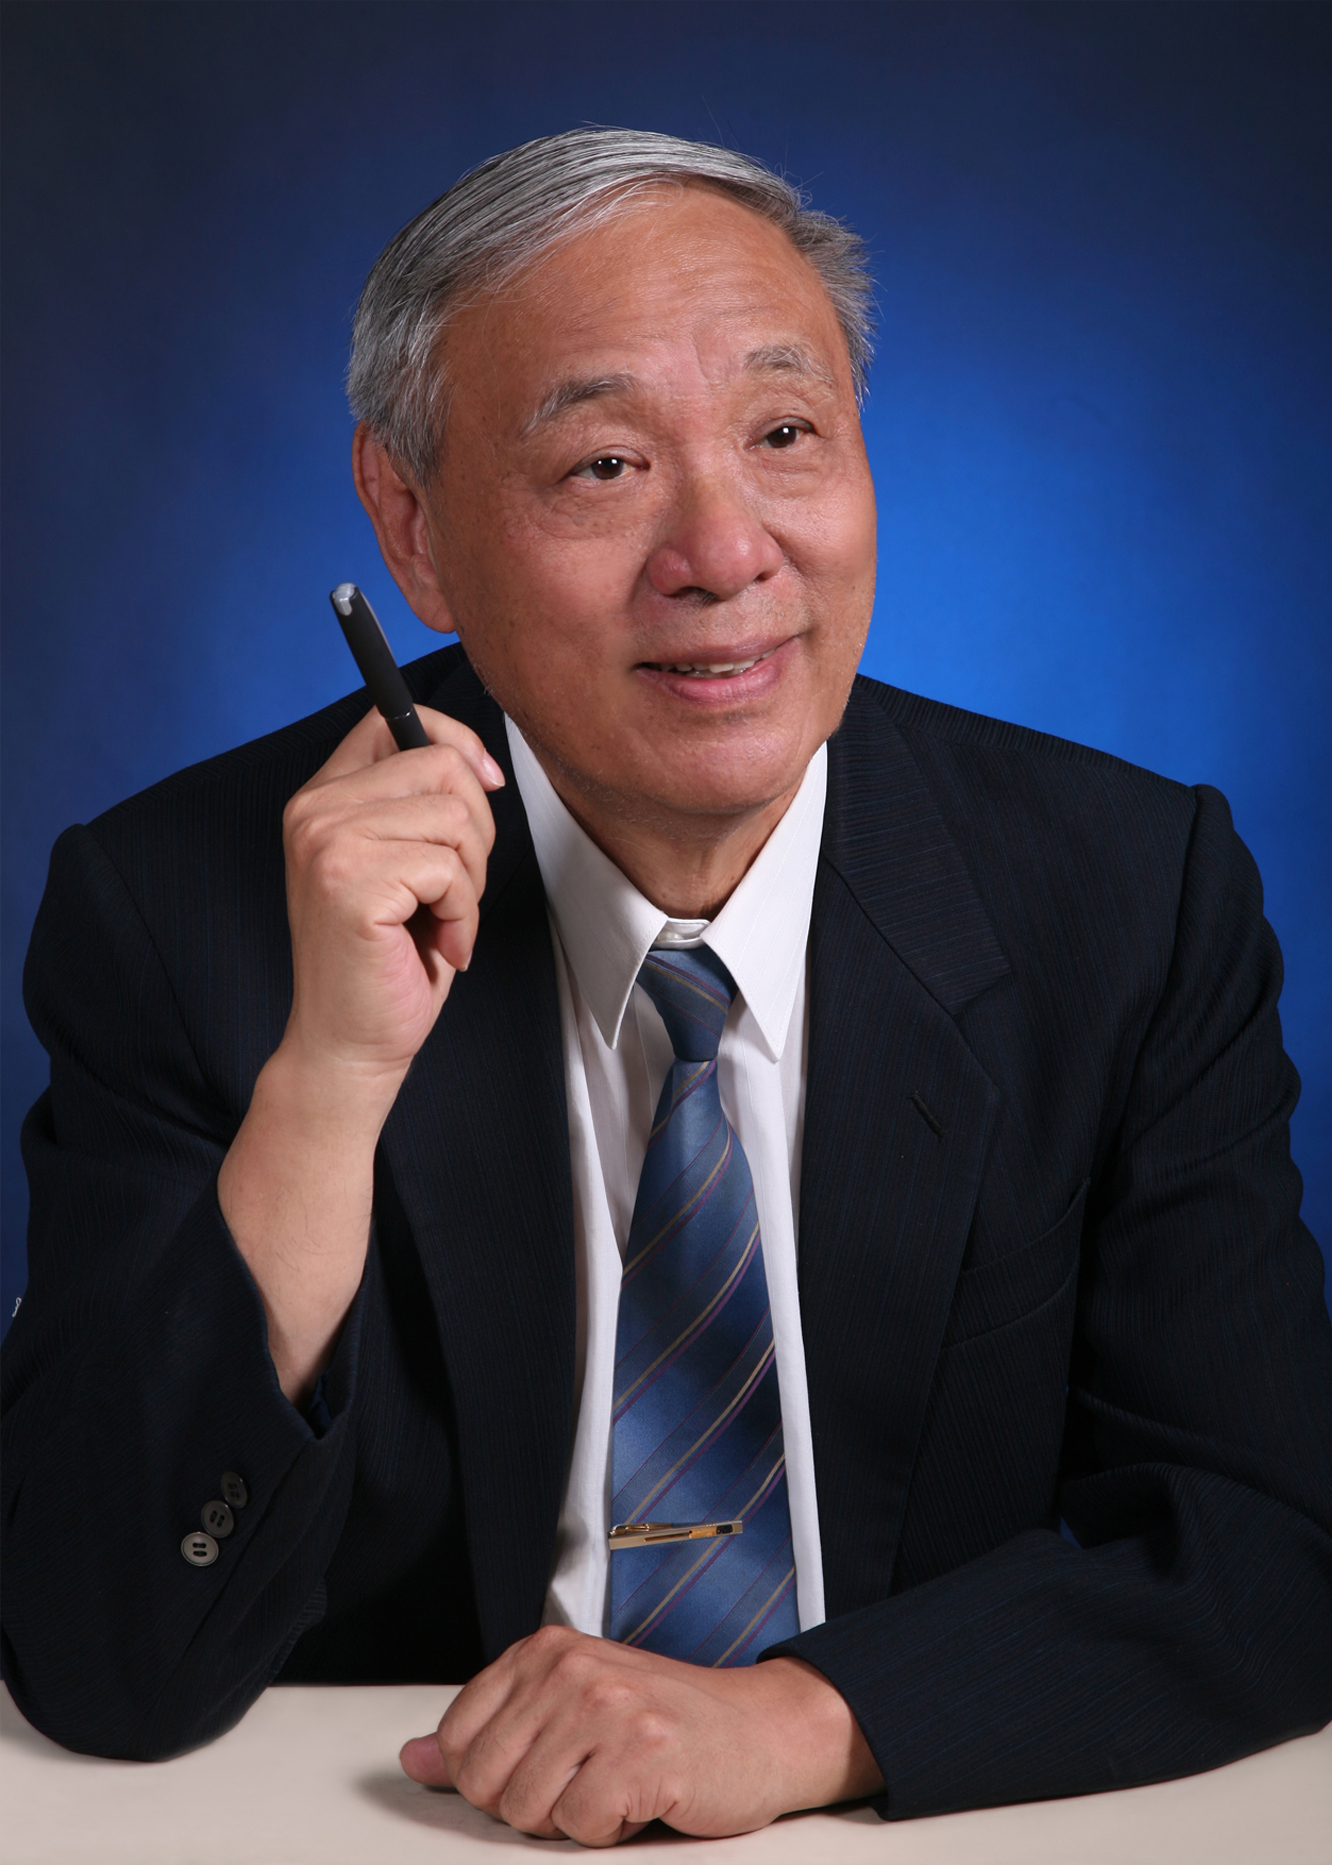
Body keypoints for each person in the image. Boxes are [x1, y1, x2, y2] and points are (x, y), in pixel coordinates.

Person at [3, 128, 1330, 1847]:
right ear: (413, 530)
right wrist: (327, 1082)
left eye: (784, 435)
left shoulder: (1126, 894)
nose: (723, 550)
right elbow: (99, 1651)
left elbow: (1276, 1543)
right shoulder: (181, 912)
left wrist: (805, 1720)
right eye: (606, 463)